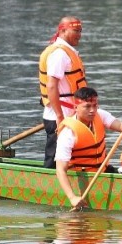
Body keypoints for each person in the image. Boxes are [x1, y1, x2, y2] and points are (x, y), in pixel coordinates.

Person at [55, 87, 122, 209]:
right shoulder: (68, 133)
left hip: (103, 170)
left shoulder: (100, 115)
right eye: (87, 107)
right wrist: (72, 197)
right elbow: (60, 170)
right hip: (80, 176)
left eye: (95, 105)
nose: (92, 110)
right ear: (75, 107)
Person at [38, 16, 88, 169]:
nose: (79, 35)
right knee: (54, 159)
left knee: (71, 156)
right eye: (75, 31)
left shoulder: (68, 52)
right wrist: (60, 117)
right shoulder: (59, 54)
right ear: (62, 31)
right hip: (59, 115)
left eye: (80, 31)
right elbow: (51, 86)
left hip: (69, 114)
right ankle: (46, 186)